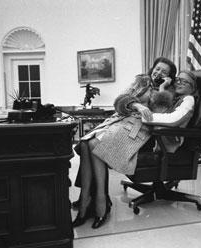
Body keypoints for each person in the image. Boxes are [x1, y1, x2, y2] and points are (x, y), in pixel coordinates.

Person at [72, 57, 177, 229]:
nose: (158, 73)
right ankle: (87, 200)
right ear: (153, 68)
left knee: (92, 145)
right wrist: (136, 105)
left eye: (164, 72)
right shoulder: (141, 80)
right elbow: (120, 100)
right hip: (118, 122)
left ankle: (98, 202)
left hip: (138, 131)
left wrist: (162, 89)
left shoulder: (168, 92)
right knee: (85, 143)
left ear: (169, 77)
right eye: (157, 69)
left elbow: (157, 116)